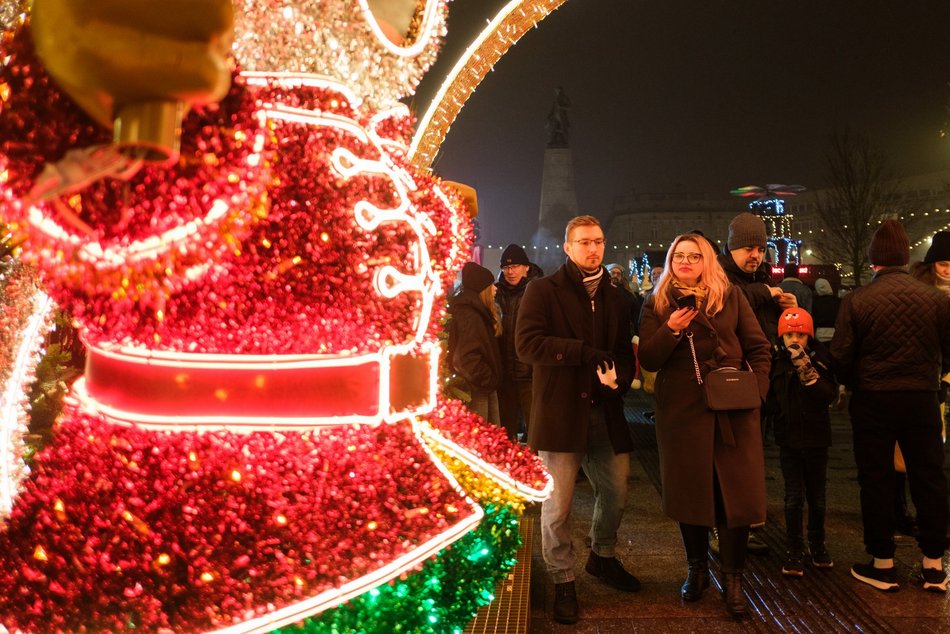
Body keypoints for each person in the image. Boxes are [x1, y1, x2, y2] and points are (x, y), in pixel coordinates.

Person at [638, 233, 770, 619]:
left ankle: (733, 580)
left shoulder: (729, 295)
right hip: (682, 410)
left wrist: (756, 391)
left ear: (707, 261)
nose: (686, 262)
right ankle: (697, 570)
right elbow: (648, 357)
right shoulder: (657, 301)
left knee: (736, 497)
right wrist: (672, 329)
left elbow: (759, 347)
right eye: (678, 255)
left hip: (732, 408)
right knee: (690, 494)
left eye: (695, 256)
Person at [516, 215, 638, 624]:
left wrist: (618, 380)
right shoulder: (542, 290)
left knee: (617, 491)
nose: (593, 249)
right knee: (558, 507)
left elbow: (624, 353)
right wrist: (581, 352)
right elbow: (527, 345)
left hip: (605, 412)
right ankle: (562, 577)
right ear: (568, 248)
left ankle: (602, 556)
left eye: (599, 241)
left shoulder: (617, 297)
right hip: (560, 413)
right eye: (584, 242)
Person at [831, 219, 950, 592]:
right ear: (904, 256)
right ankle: (934, 566)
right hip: (922, 399)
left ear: (874, 260)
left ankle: (882, 563)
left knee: (877, 479)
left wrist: (854, 382)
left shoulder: (857, 300)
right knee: (929, 478)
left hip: (873, 401)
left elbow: (840, 357)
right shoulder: (937, 300)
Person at [716, 211, 796, 555]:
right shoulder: (720, 276)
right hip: (732, 382)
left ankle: (748, 519)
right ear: (732, 249)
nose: (756, 255)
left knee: (753, 457)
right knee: (732, 459)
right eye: (748, 248)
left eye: (761, 249)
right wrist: (765, 292)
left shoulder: (760, 278)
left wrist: (787, 310)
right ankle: (728, 529)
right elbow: (727, 303)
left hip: (762, 381)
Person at [767, 307, 838, 577]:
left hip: (818, 437)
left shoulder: (821, 359)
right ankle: (794, 548)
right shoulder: (777, 361)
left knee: (817, 497)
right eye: (789, 335)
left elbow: (828, 395)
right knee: (793, 497)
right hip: (789, 438)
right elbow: (771, 399)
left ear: (809, 336)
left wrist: (808, 372)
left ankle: (818, 544)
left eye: (800, 334)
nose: (794, 340)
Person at [495, 244, 541, 440]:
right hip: (504, 372)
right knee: (506, 429)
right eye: (506, 268)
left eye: (515, 267)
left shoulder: (538, 291)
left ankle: (537, 467)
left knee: (535, 427)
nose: (510, 272)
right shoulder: (495, 292)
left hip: (529, 372)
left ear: (527, 267)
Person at [448, 262, 503, 425]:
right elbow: (465, 358)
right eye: (491, 285)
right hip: (476, 390)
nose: (495, 289)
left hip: (482, 388)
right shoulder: (469, 315)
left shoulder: (477, 312)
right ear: (482, 289)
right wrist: (489, 379)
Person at [606, 262, 643, 337]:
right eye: (613, 273)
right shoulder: (602, 290)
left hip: (625, 332)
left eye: (618, 274)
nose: (615, 275)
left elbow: (635, 313)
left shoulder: (628, 293)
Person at [810, 278, 840, 344]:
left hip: (820, 333)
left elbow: (813, 318)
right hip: (835, 332)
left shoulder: (815, 302)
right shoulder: (838, 301)